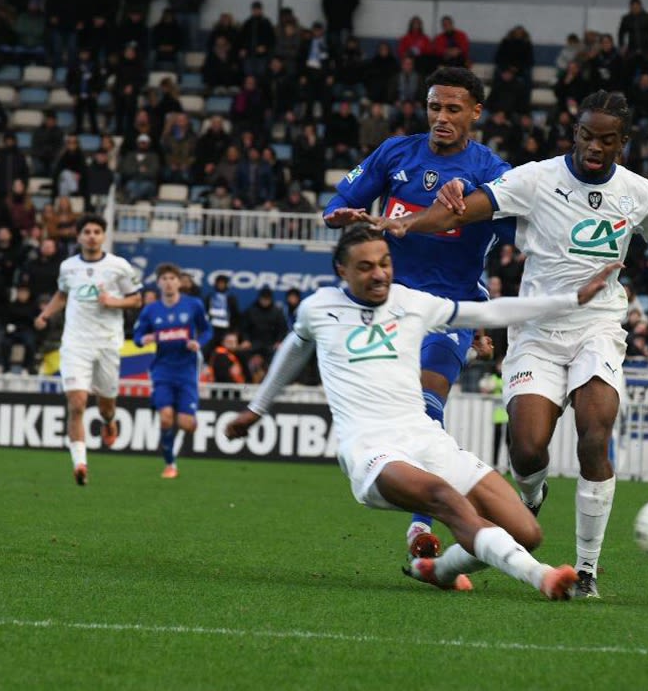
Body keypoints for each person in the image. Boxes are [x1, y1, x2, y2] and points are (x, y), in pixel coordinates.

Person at [371, 90, 648, 597]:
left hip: (599, 328)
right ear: (575, 134)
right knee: (527, 450)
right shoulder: (535, 179)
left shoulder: (641, 194)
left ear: (623, 143)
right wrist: (405, 223)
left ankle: (587, 570)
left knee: (595, 435)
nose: (595, 147)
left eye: (607, 140)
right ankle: (532, 494)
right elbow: (464, 213)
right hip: (536, 330)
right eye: (587, 136)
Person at [226, 226, 624, 599]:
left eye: (384, 262)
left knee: (525, 528)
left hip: (424, 438)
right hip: (370, 450)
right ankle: (541, 576)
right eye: (365, 267)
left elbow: (491, 313)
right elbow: (294, 348)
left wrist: (572, 299)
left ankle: (440, 570)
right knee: (443, 496)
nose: (379, 273)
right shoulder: (319, 308)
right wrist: (256, 409)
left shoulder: (411, 303)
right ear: (341, 270)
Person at [324, 66, 514, 559]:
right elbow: (343, 199)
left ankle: (420, 524)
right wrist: (338, 214)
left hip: (452, 307)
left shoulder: (491, 171)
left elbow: (519, 235)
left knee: (428, 402)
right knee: (397, 406)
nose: (441, 117)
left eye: (453, 109)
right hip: (389, 306)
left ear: (476, 112)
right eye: (434, 107)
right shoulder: (395, 152)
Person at [35, 215, 143, 486]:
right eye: (87, 231)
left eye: (97, 231)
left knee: (106, 405)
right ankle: (80, 462)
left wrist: (113, 302)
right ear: (79, 237)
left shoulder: (118, 266)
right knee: (77, 402)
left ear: (103, 236)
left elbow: (137, 299)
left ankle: (109, 421)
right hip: (75, 344)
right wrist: (45, 315)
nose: (92, 236)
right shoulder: (68, 267)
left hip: (107, 342)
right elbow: (62, 294)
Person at [133, 262, 212, 478]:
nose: (168, 283)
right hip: (163, 370)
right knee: (166, 418)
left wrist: (198, 343)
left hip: (186, 370)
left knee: (185, 424)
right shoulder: (151, 310)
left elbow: (207, 331)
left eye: (172, 279)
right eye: (164, 279)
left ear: (179, 282)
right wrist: (145, 339)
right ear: (158, 283)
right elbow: (137, 336)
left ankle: (191, 419)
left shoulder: (193, 305)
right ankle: (170, 464)